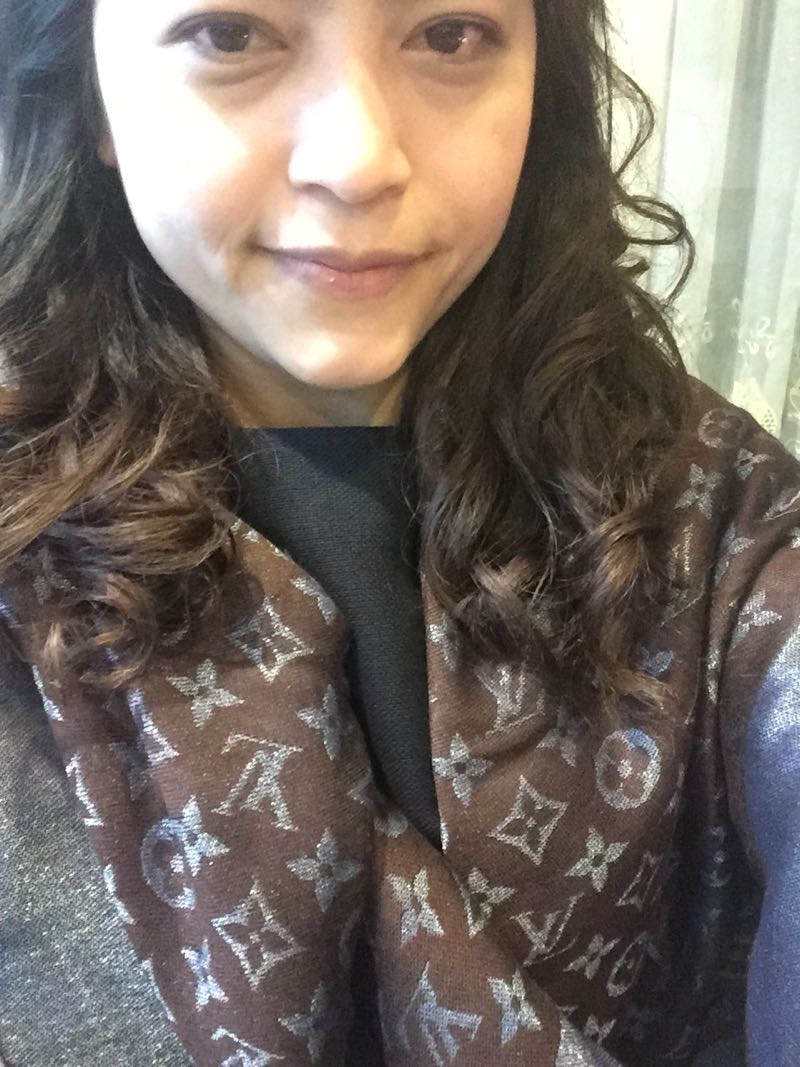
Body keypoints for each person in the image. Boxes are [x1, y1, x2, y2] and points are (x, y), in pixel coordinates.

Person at [0, 0, 797, 1064]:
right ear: (92, 93)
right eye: (231, 35)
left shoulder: (716, 514)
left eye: (449, 34)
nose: (359, 161)